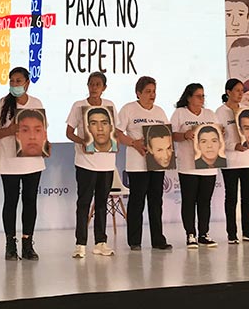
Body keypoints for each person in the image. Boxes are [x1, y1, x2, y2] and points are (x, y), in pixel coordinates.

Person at [0, 67, 45, 262]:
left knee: (30, 202)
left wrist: (45, 143)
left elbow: (40, 130)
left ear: (27, 83)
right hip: (9, 161)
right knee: (11, 202)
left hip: (33, 162)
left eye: (18, 81)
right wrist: (9, 130)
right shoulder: (3, 104)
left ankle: (28, 243)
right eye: (11, 81)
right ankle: (10, 244)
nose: (14, 84)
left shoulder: (36, 103)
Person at [116, 76, 172, 251]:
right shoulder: (129, 109)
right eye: (148, 91)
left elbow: (167, 135)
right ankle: (135, 240)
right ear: (138, 93)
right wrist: (134, 143)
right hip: (137, 164)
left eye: (154, 91)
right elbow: (117, 133)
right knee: (137, 201)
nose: (152, 95)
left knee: (156, 201)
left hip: (156, 164)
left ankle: (158, 239)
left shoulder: (160, 112)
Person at [67, 72, 117, 259]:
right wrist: (82, 141)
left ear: (104, 87)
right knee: (84, 203)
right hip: (85, 162)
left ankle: (100, 242)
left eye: (98, 84)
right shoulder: (78, 106)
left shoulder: (110, 106)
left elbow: (115, 131)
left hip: (106, 163)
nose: (94, 87)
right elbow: (69, 132)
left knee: (102, 204)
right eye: (91, 83)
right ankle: (80, 243)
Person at [171, 84, 220, 248]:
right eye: (198, 95)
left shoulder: (210, 114)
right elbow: (171, 135)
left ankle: (204, 233)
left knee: (205, 201)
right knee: (189, 200)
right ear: (189, 97)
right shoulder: (180, 113)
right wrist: (185, 135)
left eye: (203, 96)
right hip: (187, 165)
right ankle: (190, 234)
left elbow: (219, 133)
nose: (202, 99)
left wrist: (221, 133)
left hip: (208, 165)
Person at [217, 79, 249, 244]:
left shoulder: (247, 111)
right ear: (228, 92)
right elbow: (217, 138)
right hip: (231, 160)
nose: (240, 93)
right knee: (231, 197)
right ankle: (232, 233)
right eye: (236, 90)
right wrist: (233, 145)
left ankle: (248, 231)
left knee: (247, 197)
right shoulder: (220, 112)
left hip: (248, 159)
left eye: (242, 90)